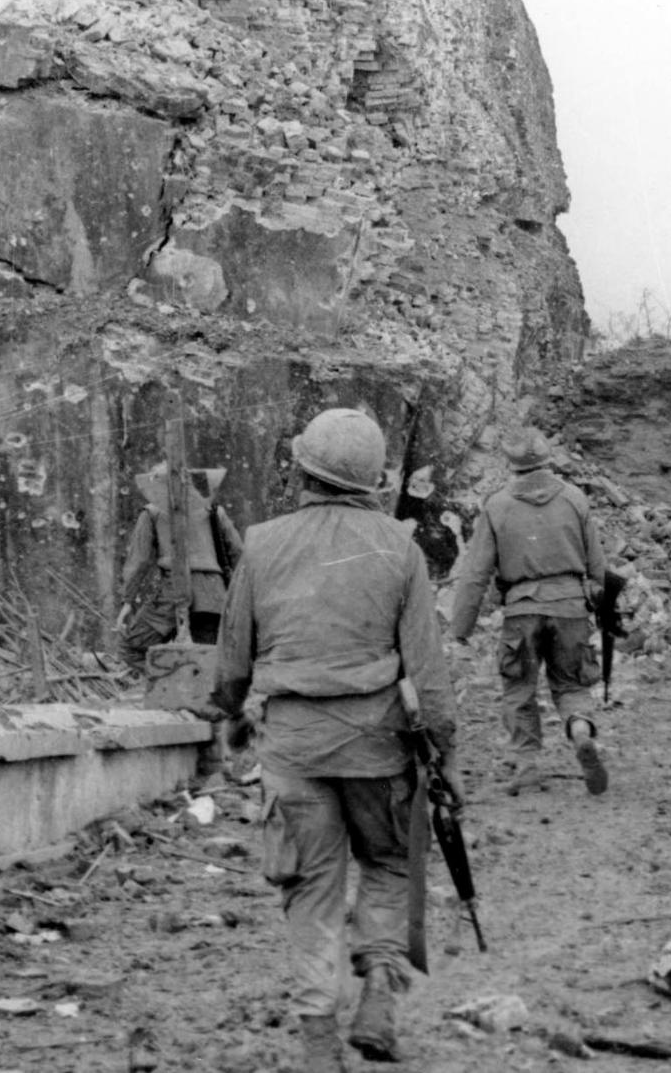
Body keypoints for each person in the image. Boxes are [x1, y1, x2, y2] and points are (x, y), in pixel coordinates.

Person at [213, 408, 458, 1072]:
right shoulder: (399, 548)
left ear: (303, 470)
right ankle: (378, 985)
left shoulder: (261, 544)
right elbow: (428, 675)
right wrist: (445, 754)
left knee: (309, 887)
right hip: (378, 744)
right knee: (389, 863)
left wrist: (229, 710)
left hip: (292, 748)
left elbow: (233, 661)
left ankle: (319, 1037)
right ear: (372, 480)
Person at [450, 428, 608, 796]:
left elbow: (476, 574)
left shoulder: (497, 505)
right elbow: (598, 567)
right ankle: (581, 732)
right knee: (571, 684)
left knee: (519, 688)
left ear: (512, 462)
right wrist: (599, 606)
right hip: (571, 608)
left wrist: (461, 628)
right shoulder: (574, 498)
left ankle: (526, 764)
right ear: (547, 458)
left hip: (522, 611)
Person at [114, 463, 242, 671]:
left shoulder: (152, 513)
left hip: (173, 591)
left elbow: (139, 560)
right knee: (206, 660)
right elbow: (238, 554)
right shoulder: (214, 512)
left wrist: (127, 600)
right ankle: (189, 691)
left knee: (131, 648)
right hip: (214, 593)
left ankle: (168, 684)